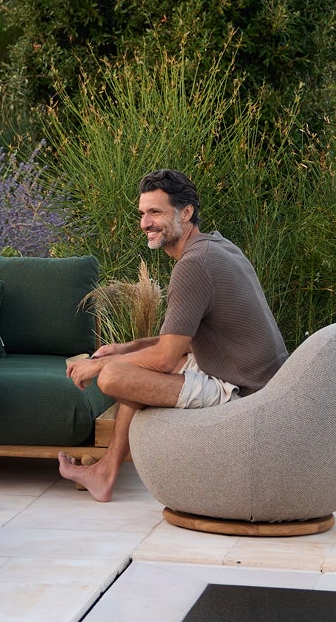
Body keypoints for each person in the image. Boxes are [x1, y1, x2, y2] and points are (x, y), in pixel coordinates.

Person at [60, 168, 288, 503]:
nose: (145, 223)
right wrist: (127, 347)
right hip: (247, 373)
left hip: (243, 391)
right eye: (142, 213)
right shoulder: (216, 246)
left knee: (113, 377)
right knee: (125, 365)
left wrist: (99, 367)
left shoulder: (194, 265)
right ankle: (105, 472)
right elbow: (179, 339)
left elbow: (166, 357)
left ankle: (106, 472)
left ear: (186, 212)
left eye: (155, 212)